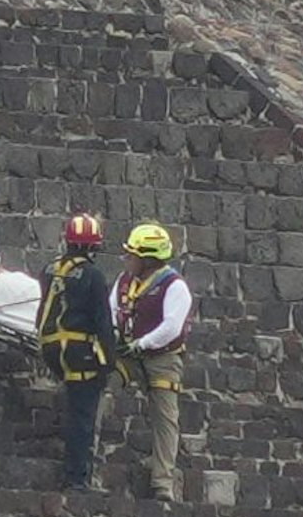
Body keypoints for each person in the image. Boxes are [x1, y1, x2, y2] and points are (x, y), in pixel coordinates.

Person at [111, 222, 192, 502]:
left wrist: (142, 344)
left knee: (165, 417)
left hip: (162, 357)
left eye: (132, 255)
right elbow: (113, 311)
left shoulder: (174, 287)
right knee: (101, 387)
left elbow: (171, 326)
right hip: (127, 353)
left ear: (148, 260)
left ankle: (163, 482)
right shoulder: (123, 282)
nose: (127, 259)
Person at [37, 214, 116, 490]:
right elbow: (102, 322)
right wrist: (108, 362)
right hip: (79, 351)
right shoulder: (93, 276)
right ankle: (76, 477)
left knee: (73, 404)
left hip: (51, 347)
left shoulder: (49, 269)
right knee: (82, 415)